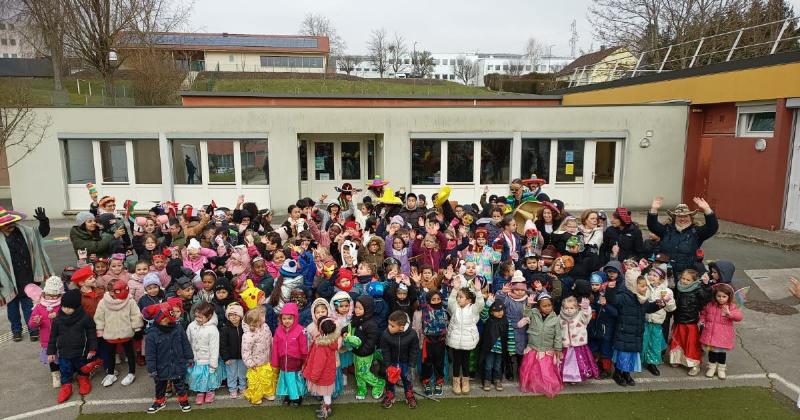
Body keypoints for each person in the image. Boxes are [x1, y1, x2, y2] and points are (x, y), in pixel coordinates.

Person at [0, 206, 54, 342]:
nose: (9, 225)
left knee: (29, 305)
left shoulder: (25, 232)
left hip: (26, 274)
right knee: (12, 308)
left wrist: (44, 222)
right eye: (5, 224)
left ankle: (33, 329)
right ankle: (16, 331)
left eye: (11, 222)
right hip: (7, 279)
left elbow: (41, 233)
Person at [605, 269, 663, 386]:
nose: (645, 288)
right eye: (642, 286)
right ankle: (618, 373)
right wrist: (610, 290)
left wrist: (658, 305)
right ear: (633, 285)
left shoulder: (642, 298)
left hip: (636, 332)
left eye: (645, 285)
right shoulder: (624, 296)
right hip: (624, 331)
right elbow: (612, 300)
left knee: (631, 354)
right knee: (622, 354)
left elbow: (648, 308)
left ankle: (626, 373)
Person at [142, 298, 193, 413]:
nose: (167, 320)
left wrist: (189, 357)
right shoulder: (151, 334)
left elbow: (185, 344)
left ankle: (183, 400)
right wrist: (152, 369)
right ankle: (159, 401)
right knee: (160, 385)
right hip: (161, 366)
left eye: (168, 317)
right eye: (163, 318)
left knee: (180, 383)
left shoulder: (178, 328)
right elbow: (150, 354)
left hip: (177, 363)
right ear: (157, 318)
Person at [647, 197, 718, 276]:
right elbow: (652, 225)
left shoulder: (696, 232)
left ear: (690, 217)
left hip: (686, 276)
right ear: (674, 218)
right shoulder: (666, 230)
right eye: (679, 216)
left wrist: (707, 210)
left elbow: (712, 228)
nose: (682, 219)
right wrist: (653, 209)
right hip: (665, 273)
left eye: (685, 216)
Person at [94, 279, 144, 388]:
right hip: (110, 334)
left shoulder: (130, 301)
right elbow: (99, 318)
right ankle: (111, 373)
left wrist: (137, 329)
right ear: (111, 292)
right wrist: (100, 331)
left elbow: (135, 315)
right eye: (118, 290)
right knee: (110, 354)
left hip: (127, 333)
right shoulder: (103, 302)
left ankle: (131, 373)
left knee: (130, 353)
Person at [517, 292, 563, 398]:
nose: (547, 308)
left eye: (549, 305)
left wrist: (558, 348)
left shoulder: (555, 319)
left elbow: (558, 336)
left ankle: (546, 386)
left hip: (547, 349)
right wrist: (528, 305)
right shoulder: (533, 312)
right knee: (532, 370)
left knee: (546, 371)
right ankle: (534, 384)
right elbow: (525, 314)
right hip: (533, 347)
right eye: (544, 306)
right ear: (539, 306)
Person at [669, 269, 712, 376]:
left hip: (691, 321)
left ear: (694, 281)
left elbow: (706, 299)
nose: (684, 281)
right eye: (683, 278)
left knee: (691, 343)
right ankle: (677, 359)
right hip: (678, 319)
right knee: (678, 340)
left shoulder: (698, 289)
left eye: (688, 280)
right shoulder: (678, 287)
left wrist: (706, 286)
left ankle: (694, 365)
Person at [446, 275, 484, 395]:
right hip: (456, 340)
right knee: (457, 362)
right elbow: (450, 301)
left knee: (465, 362)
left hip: (468, 341)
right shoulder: (454, 308)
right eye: (458, 297)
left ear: (468, 300)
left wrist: (478, 291)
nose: (458, 299)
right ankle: (456, 381)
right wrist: (455, 289)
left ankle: (466, 381)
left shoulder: (473, 309)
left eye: (461, 297)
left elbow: (480, 304)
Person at [700, 283, 744, 379]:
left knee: (721, 353)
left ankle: (721, 369)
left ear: (729, 297)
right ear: (715, 296)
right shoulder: (710, 305)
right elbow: (704, 313)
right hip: (710, 333)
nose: (721, 298)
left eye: (724, 296)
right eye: (719, 296)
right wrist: (702, 321)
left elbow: (739, 317)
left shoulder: (731, 306)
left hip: (723, 335)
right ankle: (711, 367)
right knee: (711, 352)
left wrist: (729, 314)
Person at [27, 276, 64, 388]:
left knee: (64, 357)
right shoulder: (39, 306)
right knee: (52, 359)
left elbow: (69, 317)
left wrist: (58, 316)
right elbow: (31, 324)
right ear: (44, 293)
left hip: (63, 337)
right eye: (49, 295)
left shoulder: (62, 305)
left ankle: (67, 372)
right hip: (47, 339)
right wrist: (36, 321)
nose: (52, 298)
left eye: (55, 296)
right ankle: (55, 375)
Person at [379, 311, 419, 409]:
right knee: (390, 379)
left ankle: (409, 394)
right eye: (389, 324)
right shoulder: (385, 334)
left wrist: (412, 365)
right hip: (392, 362)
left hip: (406, 362)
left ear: (401, 327)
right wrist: (388, 365)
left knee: (407, 379)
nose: (389, 327)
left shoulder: (412, 334)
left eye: (392, 326)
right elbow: (385, 350)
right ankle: (390, 394)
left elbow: (414, 350)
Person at [272, 302, 308, 407]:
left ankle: (297, 397)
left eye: (290, 318)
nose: (287, 321)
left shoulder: (301, 330)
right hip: (284, 360)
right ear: (281, 319)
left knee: (296, 379)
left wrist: (304, 361)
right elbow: (275, 347)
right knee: (285, 378)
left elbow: (304, 348)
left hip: (295, 361)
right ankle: (288, 395)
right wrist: (275, 362)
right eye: (284, 318)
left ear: (295, 318)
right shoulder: (278, 330)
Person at [186, 302, 223, 405]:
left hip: (208, 359)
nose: (197, 319)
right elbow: (188, 342)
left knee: (209, 377)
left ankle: (210, 391)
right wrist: (188, 357)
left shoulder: (212, 330)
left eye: (201, 317)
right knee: (197, 376)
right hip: (196, 358)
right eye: (196, 316)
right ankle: (200, 392)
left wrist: (213, 365)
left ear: (209, 316)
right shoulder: (191, 326)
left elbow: (214, 348)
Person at [303, 317, 341, 418]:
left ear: (321, 329)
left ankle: (326, 410)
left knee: (326, 394)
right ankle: (326, 406)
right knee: (327, 393)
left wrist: (314, 376)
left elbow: (319, 363)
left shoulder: (322, 345)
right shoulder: (333, 341)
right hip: (329, 373)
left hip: (322, 375)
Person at [350, 295, 386, 400]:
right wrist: (344, 331)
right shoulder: (357, 319)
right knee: (358, 371)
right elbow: (350, 326)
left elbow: (372, 340)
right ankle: (362, 387)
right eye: (356, 307)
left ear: (368, 309)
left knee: (363, 372)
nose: (357, 310)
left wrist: (365, 350)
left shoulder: (371, 324)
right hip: (356, 351)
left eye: (360, 308)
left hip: (365, 353)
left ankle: (378, 383)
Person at [642, 267, 675, 376]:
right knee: (643, 342)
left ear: (661, 280)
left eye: (655, 276)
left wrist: (667, 301)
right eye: (650, 274)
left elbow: (671, 308)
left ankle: (652, 363)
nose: (651, 277)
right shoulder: (644, 287)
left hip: (656, 322)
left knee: (654, 343)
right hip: (644, 321)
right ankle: (641, 361)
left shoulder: (666, 291)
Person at [242, 307, 279, 404]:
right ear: (256, 320)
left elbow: (270, 338)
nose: (264, 317)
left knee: (267, 377)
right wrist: (250, 363)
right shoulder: (248, 335)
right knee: (256, 381)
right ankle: (256, 395)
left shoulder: (265, 326)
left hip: (266, 359)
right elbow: (246, 351)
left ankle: (267, 392)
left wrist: (273, 351)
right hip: (256, 363)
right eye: (262, 316)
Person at [478, 298, 515, 392]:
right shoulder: (488, 320)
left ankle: (497, 380)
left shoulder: (507, 322)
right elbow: (483, 315)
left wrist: (511, 349)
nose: (499, 313)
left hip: (501, 349)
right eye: (496, 311)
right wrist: (487, 304)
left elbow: (510, 336)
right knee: (488, 365)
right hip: (490, 349)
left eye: (501, 310)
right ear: (491, 312)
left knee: (498, 366)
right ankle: (487, 380)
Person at [559, 296, 599, 383]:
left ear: (576, 307)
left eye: (571, 308)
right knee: (566, 362)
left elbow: (587, 317)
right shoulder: (560, 317)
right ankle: (566, 377)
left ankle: (576, 377)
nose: (569, 310)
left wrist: (586, 309)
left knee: (576, 363)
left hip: (578, 345)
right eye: (566, 308)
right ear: (562, 308)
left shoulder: (580, 315)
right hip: (565, 345)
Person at [220, 303, 246, 399]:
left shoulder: (245, 328)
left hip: (243, 356)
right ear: (228, 316)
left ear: (240, 316)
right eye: (231, 315)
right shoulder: (225, 329)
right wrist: (226, 357)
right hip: (231, 357)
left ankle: (242, 387)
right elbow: (222, 345)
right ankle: (232, 389)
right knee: (232, 374)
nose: (234, 317)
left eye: (236, 315)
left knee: (243, 373)